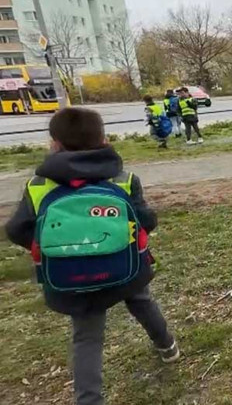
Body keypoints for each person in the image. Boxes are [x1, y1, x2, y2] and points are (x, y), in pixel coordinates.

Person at [4, 108, 179, 405]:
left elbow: (17, 229)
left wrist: (57, 249)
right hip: (126, 268)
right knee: (142, 303)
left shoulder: (38, 186)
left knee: (87, 339)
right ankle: (167, 347)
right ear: (104, 140)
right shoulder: (123, 180)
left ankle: (89, 399)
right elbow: (146, 221)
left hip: (72, 277)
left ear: (54, 144)